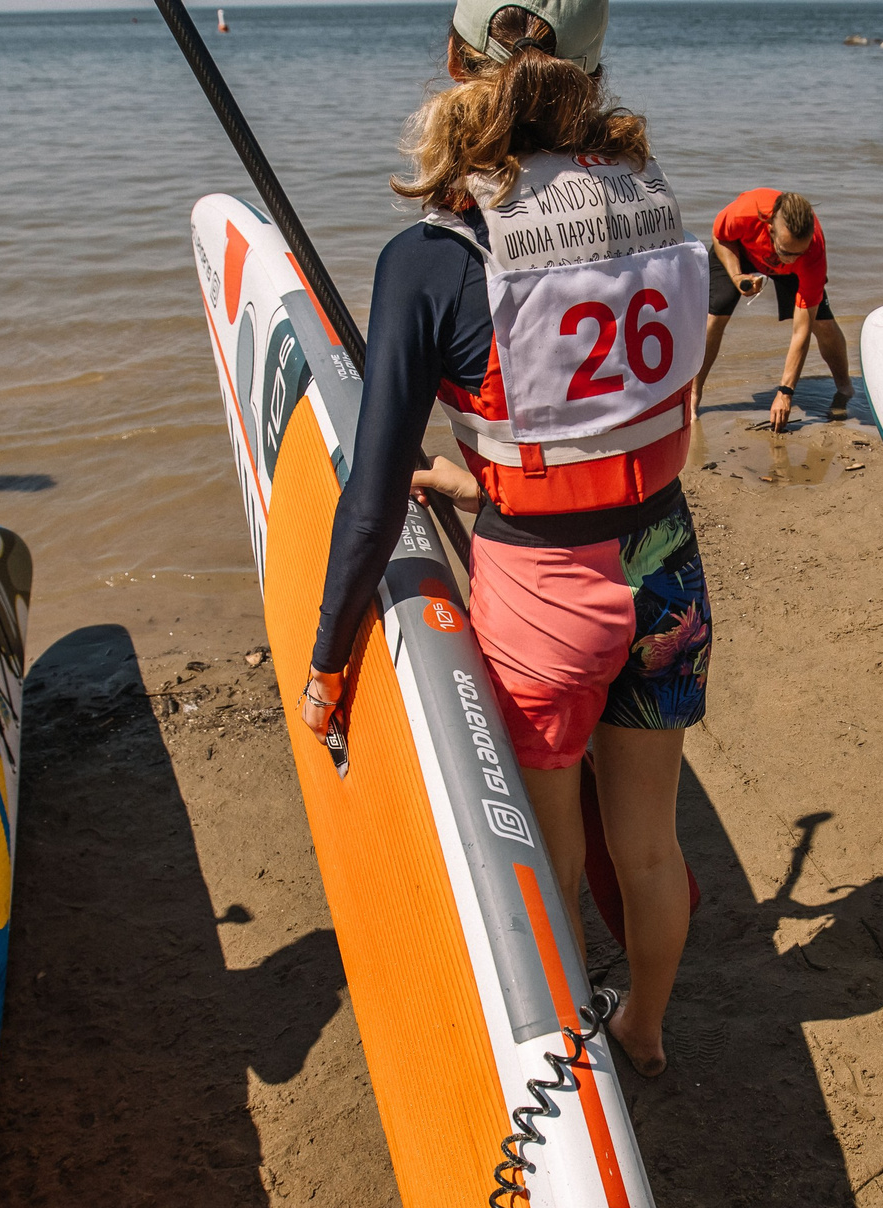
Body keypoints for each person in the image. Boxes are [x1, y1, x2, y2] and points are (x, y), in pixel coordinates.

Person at [298, 0, 711, 1076]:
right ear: (591, 74)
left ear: (453, 65)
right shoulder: (652, 210)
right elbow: (605, 414)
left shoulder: (430, 257)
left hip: (542, 596)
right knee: (653, 841)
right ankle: (649, 1030)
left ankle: (574, 1049)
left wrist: (327, 660)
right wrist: (481, 478)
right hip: (665, 566)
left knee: (553, 845)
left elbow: (374, 490)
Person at [699, 187, 852, 430]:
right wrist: (737, 275)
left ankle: (845, 388)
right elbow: (720, 237)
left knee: (821, 324)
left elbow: (800, 331)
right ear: (770, 229)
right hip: (740, 251)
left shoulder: (812, 253)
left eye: (797, 252)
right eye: (786, 252)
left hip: (797, 271)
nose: (791, 258)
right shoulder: (743, 214)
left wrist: (785, 391)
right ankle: (694, 396)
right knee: (714, 318)